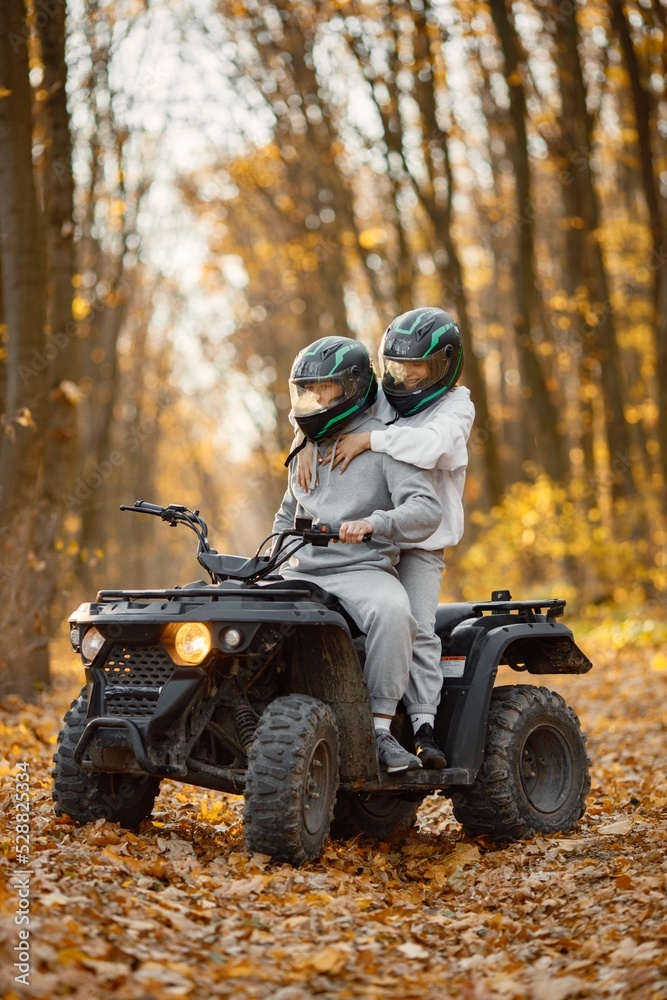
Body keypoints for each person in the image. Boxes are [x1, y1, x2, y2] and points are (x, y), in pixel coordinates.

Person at [295, 308, 475, 768]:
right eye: (399, 366)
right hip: (372, 543)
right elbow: (328, 397)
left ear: (445, 365)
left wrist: (372, 444)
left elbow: (431, 446)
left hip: (422, 540)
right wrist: (301, 441)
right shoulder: (390, 400)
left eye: (420, 367)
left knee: (412, 625)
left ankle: (422, 728)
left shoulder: (455, 406)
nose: (408, 376)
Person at [272, 335, 442, 773]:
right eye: (308, 391)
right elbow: (286, 515)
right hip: (300, 570)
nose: (314, 400)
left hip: (361, 569)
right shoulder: (303, 448)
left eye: (325, 390)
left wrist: (375, 523)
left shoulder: (386, 443)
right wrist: (270, 561)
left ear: (351, 388)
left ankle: (380, 730)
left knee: (395, 614)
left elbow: (426, 510)